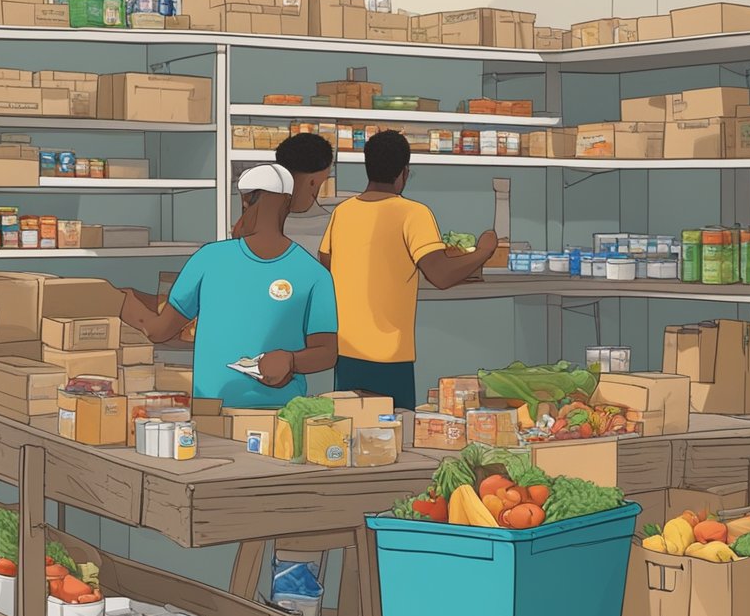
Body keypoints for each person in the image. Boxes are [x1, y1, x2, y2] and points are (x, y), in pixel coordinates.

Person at [120, 163, 338, 408]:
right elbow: (326, 352)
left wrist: (121, 302)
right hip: (274, 414)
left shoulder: (209, 258)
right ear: (288, 204)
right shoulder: (314, 272)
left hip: (223, 412)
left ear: (245, 201)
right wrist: (292, 360)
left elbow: (159, 331)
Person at [319, 130, 495, 410]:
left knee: (351, 429)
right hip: (389, 355)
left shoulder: (344, 211)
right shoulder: (413, 213)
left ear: (367, 167)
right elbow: (441, 275)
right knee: (393, 434)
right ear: (404, 172)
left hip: (346, 350)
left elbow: (325, 262)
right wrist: (485, 251)